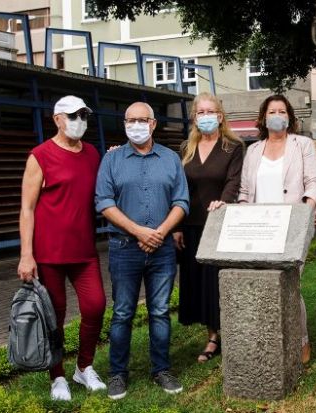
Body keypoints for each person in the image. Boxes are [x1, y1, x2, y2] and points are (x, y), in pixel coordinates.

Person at [95, 102, 189, 400]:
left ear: (153, 124)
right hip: (124, 248)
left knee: (160, 311)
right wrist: (138, 231)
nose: (135, 125)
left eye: (141, 120)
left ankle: (161, 369)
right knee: (123, 312)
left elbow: (181, 202)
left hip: (161, 250)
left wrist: (160, 232)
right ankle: (117, 374)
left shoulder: (171, 158)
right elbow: (103, 202)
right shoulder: (111, 160)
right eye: (129, 120)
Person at [17, 95, 107, 401]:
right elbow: (27, 209)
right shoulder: (40, 156)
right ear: (56, 119)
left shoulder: (93, 153)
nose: (79, 120)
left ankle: (84, 367)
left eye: (83, 114)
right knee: (54, 316)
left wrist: (118, 156)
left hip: (84, 252)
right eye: (72, 115)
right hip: (49, 254)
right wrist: (26, 255)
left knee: (95, 305)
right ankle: (57, 377)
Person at [239, 94, 316, 364]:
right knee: (263, 287)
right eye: (272, 111)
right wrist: (241, 217)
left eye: (282, 111)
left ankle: (301, 341)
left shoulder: (302, 144)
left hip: (293, 226)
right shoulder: (253, 150)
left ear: (290, 117)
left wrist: (305, 213)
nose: (278, 115)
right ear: (263, 118)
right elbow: (244, 191)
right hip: (260, 229)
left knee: (289, 285)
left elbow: (312, 184)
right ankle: (269, 341)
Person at [175, 92, 244, 362]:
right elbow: (180, 187)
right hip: (191, 225)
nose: (205, 116)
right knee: (199, 283)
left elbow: (233, 181)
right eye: (200, 112)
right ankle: (212, 335)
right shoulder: (185, 148)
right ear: (194, 117)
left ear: (220, 115)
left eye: (210, 111)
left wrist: (223, 202)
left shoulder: (233, 146)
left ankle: (231, 331)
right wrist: (176, 225)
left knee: (218, 282)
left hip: (219, 223)